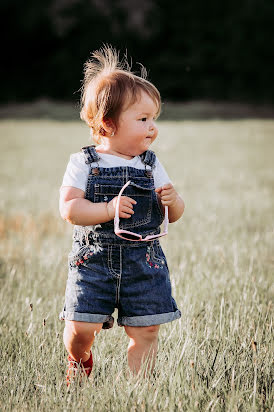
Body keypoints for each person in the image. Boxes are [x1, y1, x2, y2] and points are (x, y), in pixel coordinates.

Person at [59, 46, 185, 385]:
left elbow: (174, 215)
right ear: (108, 123)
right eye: (143, 119)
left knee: (146, 332)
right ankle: (80, 357)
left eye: (153, 118)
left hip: (144, 262)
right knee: (80, 328)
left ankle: (137, 391)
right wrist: (107, 209)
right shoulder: (84, 163)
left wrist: (174, 201)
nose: (152, 127)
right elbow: (70, 209)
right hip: (94, 262)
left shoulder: (151, 164)